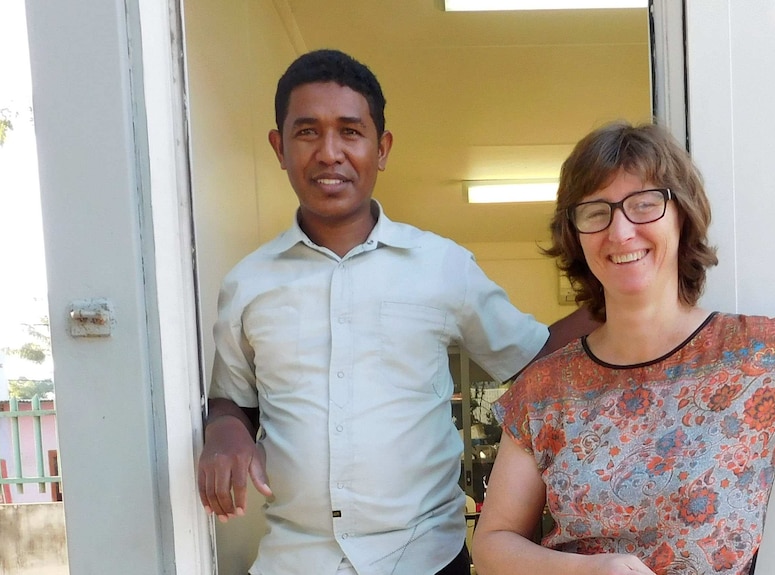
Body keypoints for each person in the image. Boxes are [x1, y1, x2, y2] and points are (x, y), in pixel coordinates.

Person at [197, 48, 578, 575]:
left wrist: (622, 301)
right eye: (307, 132)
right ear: (278, 147)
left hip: (426, 558)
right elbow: (234, 401)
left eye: (350, 131)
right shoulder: (247, 283)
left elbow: (532, 358)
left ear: (382, 148)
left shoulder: (442, 265)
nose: (329, 152)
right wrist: (225, 431)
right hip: (294, 560)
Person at [471, 121, 775, 575]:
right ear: (575, 234)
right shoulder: (545, 388)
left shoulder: (755, 355)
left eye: (645, 205)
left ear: (682, 216)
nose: (621, 231)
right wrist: (588, 571)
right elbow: (493, 545)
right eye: (596, 212)